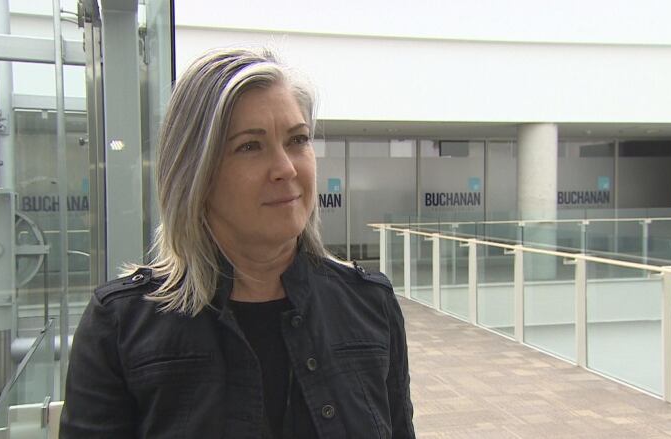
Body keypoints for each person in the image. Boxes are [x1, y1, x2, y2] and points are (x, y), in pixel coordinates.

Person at [60, 47, 416, 439]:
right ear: (196, 171)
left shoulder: (370, 304)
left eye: (297, 140)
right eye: (250, 146)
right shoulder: (120, 325)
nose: (285, 168)